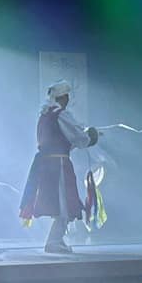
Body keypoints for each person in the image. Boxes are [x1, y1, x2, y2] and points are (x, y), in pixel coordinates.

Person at [19, 81, 99, 254]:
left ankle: (56, 239)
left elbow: (63, 140)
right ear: (62, 98)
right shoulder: (61, 115)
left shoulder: (44, 116)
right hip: (58, 165)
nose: (68, 99)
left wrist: (82, 138)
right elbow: (78, 137)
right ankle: (54, 241)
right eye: (67, 96)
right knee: (66, 202)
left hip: (48, 164)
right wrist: (90, 137)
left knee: (61, 203)